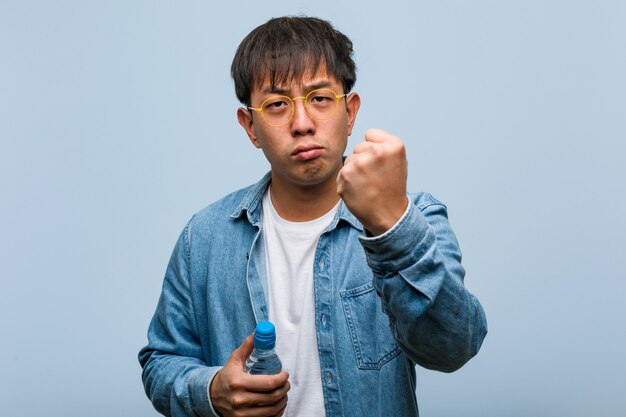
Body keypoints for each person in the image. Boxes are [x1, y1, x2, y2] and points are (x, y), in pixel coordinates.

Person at [139, 15, 487, 417]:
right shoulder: (204, 237)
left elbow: (454, 348)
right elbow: (161, 362)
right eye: (276, 105)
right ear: (250, 126)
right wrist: (211, 390)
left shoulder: (414, 217)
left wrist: (391, 227)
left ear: (350, 111)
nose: (302, 124)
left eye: (320, 98)